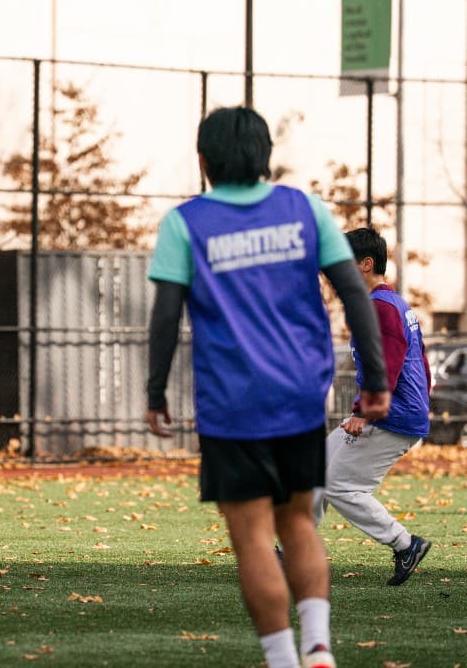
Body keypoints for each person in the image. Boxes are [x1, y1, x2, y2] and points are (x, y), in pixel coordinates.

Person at [144, 106, 390, 668]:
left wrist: (155, 391)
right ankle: (320, 648)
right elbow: (355, 292)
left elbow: (165, 318)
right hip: (300, 398)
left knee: (253, 536)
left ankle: (283, 660)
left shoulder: (185, 224)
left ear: (203, 162)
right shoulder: (304, 209)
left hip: (231, 407)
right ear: (266, 158)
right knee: (297, 521)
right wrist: (374, 379)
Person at [314, 227, 431, 585]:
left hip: (390, 415)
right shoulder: (389, 303)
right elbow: (421, 362)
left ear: (365, 264)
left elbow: (390, 365)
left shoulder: (380, 307)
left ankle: (405, 544)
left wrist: (365, 412)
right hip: (392, 409)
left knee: (340, 486)